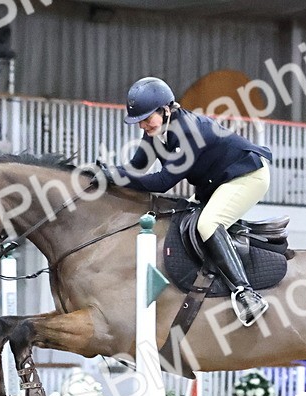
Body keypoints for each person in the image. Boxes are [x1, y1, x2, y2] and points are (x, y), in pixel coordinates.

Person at [100, 77, 273, 326]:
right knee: (179, 219)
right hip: (215, 182)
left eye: (147, 119)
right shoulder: (157, 131)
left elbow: (162, 182)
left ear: (167, 109)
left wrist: (114, 177)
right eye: (139, 121)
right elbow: (137, 167)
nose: (143, 126)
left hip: (247, 175)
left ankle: (246, 293)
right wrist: (106, 174)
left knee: (208, 224)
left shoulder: (188, 132)